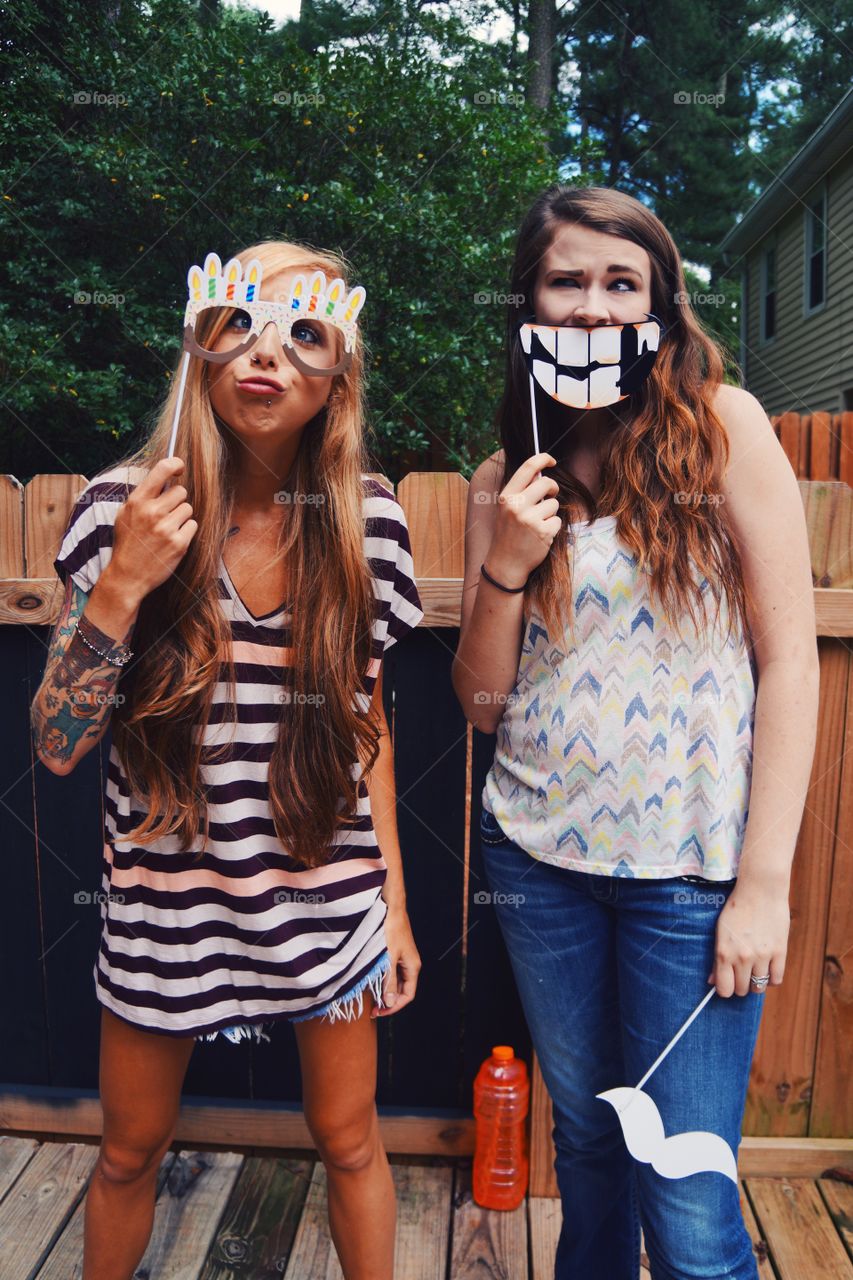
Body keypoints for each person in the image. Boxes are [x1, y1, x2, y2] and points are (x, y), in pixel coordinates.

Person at [31, 240, 424, 1280]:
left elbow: (366, 725)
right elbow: (59, 746)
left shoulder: (367, 526)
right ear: (200, 343)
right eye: (238, 321)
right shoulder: (120, 514)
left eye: (305, 333)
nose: (266, 352)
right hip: (169, 900)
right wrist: (122, 587)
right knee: (127, 1151)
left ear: (336, 377)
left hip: (323, 892)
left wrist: (394, 905)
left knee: (349, 1139)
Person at [452, 185, 819, 1280]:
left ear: (660, 304)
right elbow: (479, 699)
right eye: (569, 279)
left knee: (690, 1188)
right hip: (539, 863)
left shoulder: (725, 430)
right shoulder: (501, 479)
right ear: (530, 300)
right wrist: (506, 562)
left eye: (624, 282)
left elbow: (788, 660)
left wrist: (763, 883)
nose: (596, 305)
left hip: (691, 873)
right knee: (591, 1147)